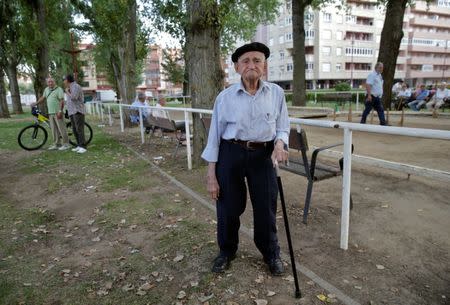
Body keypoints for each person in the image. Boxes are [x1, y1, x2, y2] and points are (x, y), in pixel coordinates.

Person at [201, 42, 290, 276]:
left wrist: (280, 143)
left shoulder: (276, 93)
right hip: (231, 153)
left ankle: (271, 253)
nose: (252, 65)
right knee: (228, 208)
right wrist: (212, 174)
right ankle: (226, 252)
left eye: (257, 60)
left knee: (266, 208)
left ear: (265, 66)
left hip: (263, 156)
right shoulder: (225, 97)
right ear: (237, 68)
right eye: (246, 61)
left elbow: (283, 128)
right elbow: (214, 138)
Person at [33, 77, 70, 151]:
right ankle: (57, 144)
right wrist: (35, 103)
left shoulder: (59, 89)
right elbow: (43, 98)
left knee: (61, 129)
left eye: (51, 81)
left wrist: (60, 111)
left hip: (58, 112)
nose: (50, 83)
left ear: (54, 82)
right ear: (47, 83)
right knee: (54, 130)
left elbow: (61, 101)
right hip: (50, 113)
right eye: (49, 82)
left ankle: (66, 144)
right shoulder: (46, 89)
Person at [63, 74, 87, 153]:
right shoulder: (70, 87)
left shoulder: (76, 86)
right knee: (74, 129)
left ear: (67, 80)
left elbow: (74, 97)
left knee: (79, 129)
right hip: (72, 111)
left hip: (78, 111)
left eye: (64, 79)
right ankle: (79, 145)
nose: (63, 81)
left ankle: (83, 146)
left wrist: (67, 92)